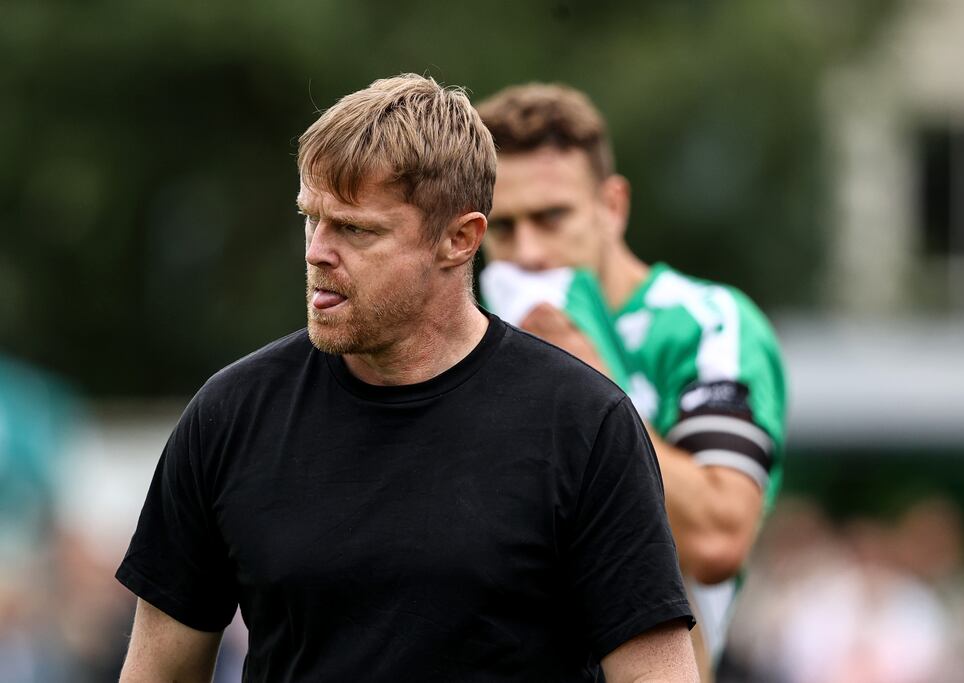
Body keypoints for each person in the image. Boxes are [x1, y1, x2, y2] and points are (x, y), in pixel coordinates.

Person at [115, 74, 699, 682]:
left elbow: (655, 675)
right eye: (310, 219)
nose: (317, 251)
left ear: (459, 239)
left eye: (355, 229)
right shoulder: (229, 415)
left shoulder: (584, 422)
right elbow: (156, 673)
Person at [476, 83, 788, 678]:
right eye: (503, 228)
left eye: (551, 217)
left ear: (612, 207)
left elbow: (720, 538)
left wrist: (590, 387)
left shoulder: (706, 325)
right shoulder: (468, 343)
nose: (528, 252)